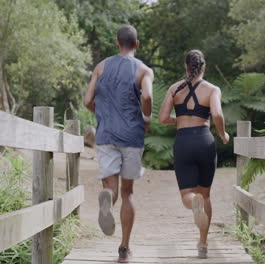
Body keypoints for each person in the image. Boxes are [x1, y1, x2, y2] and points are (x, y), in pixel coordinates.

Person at [83, 25, 154, 263]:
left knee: (112, 189)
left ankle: (106, 198)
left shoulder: (101, 67)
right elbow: (148, 97)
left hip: (106, 136)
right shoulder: (143, 70)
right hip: (132, 137)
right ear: (137, 44)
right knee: (128, 192)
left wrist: (101, 115)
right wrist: (146, 118)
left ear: (116, 44)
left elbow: (87, 100)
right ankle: (124, 249)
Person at [158, 50, 229, 259]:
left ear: (186, 67)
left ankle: (193, 204)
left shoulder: (174, 89)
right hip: (204, 141)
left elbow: (162, 118)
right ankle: (203, 243)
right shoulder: (212, 90)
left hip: (184, 142)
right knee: (205, 194)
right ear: (203, 67)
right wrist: (223, 133)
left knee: (187, 194)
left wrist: (180, 119)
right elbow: (216, 113)